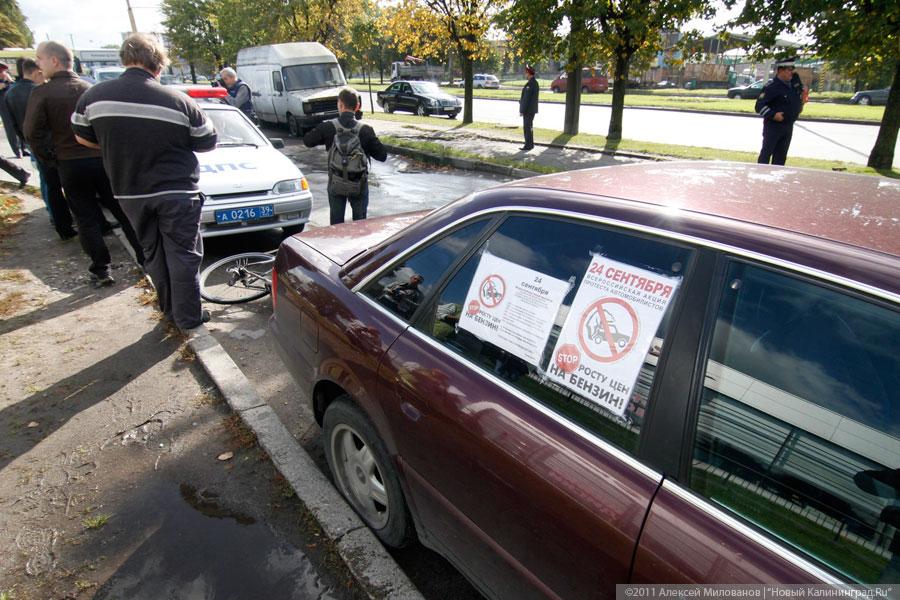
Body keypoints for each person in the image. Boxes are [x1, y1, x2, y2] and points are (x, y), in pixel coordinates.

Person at [72, 33, 218, 332]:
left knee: (153, 252)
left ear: (125, 59)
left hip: (130, 191)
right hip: (177, 190)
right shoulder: (177, 100)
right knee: (183, 254)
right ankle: (188, 316)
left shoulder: (94, 97)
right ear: (158, 65)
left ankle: (168, 311)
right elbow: (207, 141)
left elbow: (80, 136)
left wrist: (116, 147)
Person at [24, 41, 144, 285]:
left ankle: (101, 269)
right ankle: (145, 258)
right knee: (122, 211)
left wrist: (51, 159)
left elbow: (32, 133)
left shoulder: (43, 93)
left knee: (86, 217)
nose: (38, 64)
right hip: (102, 161)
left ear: (54, 61)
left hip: (70, 164)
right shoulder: (91, 89)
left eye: (40, 59)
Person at [6, 58, 79, 239]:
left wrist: (26, 144)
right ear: (37, 71)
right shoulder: (39, 92)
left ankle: (62, 225)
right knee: (71, 187)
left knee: (50, 186)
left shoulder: (10, 93)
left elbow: (15, 126)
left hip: (38, 147)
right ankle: (79, 222)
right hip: (57, 146)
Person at [303, 87, 387, 225]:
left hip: (336, 182)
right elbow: (382, 155)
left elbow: (307, 141)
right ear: (357, 106)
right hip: (358, 183)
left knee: (337, 226)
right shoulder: (365, 130)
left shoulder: (328, 127)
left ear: (340, 105)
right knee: (360, 225)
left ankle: (338, 244)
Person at [755, 56, 803, 166]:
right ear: (781, 70)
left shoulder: (793, 86)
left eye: (792, 70)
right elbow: (759, 106)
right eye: (789, 70)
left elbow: (796, 101)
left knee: (781, 157)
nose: (792, 73)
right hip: (774, 126)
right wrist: (773, 115)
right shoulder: (772, 86)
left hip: (788, 126)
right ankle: (760, 175)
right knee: (766, 154)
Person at [0, 62, 27, 158]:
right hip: (3, 104)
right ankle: (17, 150)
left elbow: (13, 85)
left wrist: (9, 81)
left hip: (12, 102)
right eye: (1, 71)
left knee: (19, 123)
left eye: (4, 71)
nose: (3, 73)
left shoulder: (7, 79)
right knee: (10, 127)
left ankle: (23, 148)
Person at [519, 65, 539, 152]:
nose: (525, 74)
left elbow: (526, 99)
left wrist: (522, 110)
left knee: (527, 127)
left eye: (526, 72)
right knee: (529, 127)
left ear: (529, 73)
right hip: (531, 110)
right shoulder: (534, 82)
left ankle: (528, 145)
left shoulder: (530, 84)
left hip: (528, 110)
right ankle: (530, 144)